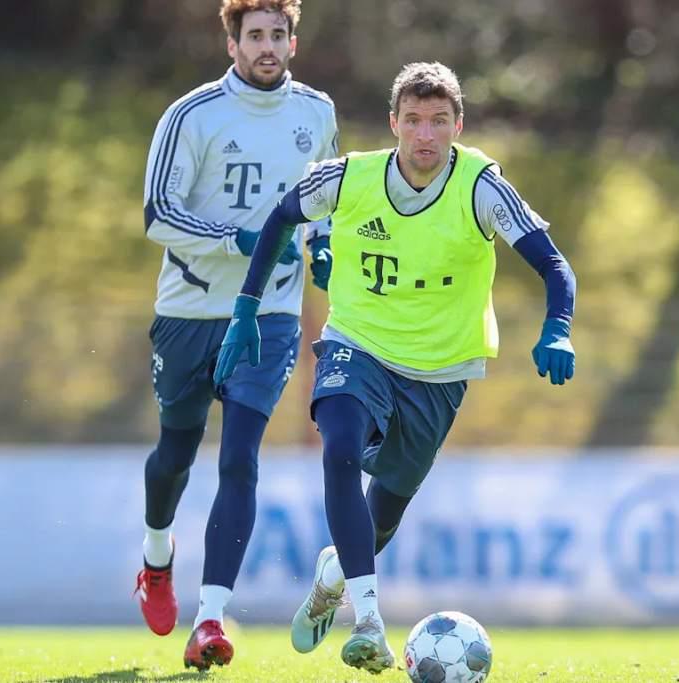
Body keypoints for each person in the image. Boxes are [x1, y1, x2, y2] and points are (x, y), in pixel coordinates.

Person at [214, 61, 576, 674]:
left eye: (439, 121)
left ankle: (333, 576)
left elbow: (554, 264)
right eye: (413, 120)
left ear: (458, 125)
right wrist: (246, 307)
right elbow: (281, 216)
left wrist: (558, 329)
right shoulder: (349, 177)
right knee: (340, 448)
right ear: (394, 124)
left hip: (439, 371)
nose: (425, 135)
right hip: (357, 343)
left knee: (385, 511)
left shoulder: (482, 186)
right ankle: (371, 624)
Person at [133, 0, 337, 670]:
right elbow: (158, 214)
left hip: (272, 314)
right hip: (190, 312)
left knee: (240, 457)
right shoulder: (192, 116)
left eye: (278, 35)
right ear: (231, 44)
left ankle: (210, 617)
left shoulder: (316, 112)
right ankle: (156, 559)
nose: (267, 47)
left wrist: (324, 246)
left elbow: (325, 202)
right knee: (175, 453)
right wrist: (236, 239)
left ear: (294, 42)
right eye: (254, 36)